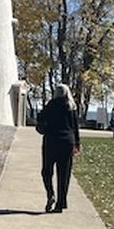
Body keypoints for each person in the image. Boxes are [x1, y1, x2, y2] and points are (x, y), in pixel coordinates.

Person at [36, 84, 81, 213]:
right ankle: (60, 204)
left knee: (46, 171)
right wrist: (77, 143)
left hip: (51, 141)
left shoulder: (51, 105)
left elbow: (40, 118)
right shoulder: (71, 107)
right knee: (64, 174)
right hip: (67, 142)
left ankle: (50, 194)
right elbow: (75, 126)